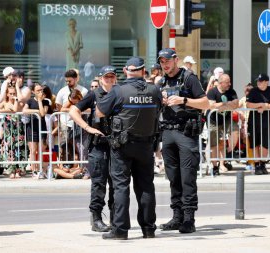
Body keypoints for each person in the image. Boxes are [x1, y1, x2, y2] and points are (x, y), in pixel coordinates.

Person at [95, 57, 162, 240]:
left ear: (126, 70)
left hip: (122, 146)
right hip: (147, 145)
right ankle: (149, 229)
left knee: (121, 187)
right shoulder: (154, 90)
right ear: (142, 70)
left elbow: (100, 112)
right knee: (146, 187)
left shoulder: (119, 90)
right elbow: (158, 112)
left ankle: (120, 230)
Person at [157, 48, 209, 234]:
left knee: (188, 177)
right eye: (162, 62)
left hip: (186, 132)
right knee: (173, 178)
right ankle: (177, 217)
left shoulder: (189, 78)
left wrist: (183, 100)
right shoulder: (161, 81)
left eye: (168, 61)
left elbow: (205, 103)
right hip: (168, 132)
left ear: (176, 60)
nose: (165, 65)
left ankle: (189, 218)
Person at [68, 66, 117, 233]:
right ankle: (96, 218)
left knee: (116, 184)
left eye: (112, 77)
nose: (109, 80)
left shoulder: (119, 93)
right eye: (106, 77)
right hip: (98, 145)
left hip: (116, 145)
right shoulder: (94, 94)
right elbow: (73, 111)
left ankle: (116, 218)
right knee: (99, 183)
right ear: (101, 78)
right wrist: (87, 127)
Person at [246, 74, 270, 175]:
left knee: (265, 144)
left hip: (266, 121)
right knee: (255, 143)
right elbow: (248, 104)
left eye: (261, 81)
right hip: (253, 121)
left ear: (266, 82)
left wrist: (266, 107)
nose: (258, 83)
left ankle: (262, 163)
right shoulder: (253, 91)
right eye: (258, 81)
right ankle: (256, 165)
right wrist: (260, 105)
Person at [207, 73, 239, 175]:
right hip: (213, 121)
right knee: (214, 144)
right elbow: (211, 105)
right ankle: (215, 166)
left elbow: (236, 104)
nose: (229, 84)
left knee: (234, 130)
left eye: (229, 82)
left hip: (226, 119)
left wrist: (222, 106)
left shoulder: (231, 91)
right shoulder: (212, 92)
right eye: (227, 82)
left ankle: (225, 157)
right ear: (220, 83)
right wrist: (225, 104)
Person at [0, 86, 26, 179]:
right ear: (7, 94)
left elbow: (16, 109)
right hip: (8, 129)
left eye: (14, 93)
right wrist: (8, 110)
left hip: (18, 129)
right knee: (9, 149)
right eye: (11, 93)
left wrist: (16, 100)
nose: (12, 95)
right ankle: (11, 170)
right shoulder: (4, 103)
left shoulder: (19, 102)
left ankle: (18, 170)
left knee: (18, 149)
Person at [23, 83, 49, 179]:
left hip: (41, 127)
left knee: (41, 150)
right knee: (33, 150)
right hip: (32, 128)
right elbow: (24, 110)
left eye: (41, 90)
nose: (40, 92)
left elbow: (43, 113)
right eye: (38, 90)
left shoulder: (45, 101)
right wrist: (35, 111)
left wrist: (39, 101)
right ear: (33, 92)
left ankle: (41, 170)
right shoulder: (29, 101)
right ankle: (34, 170)